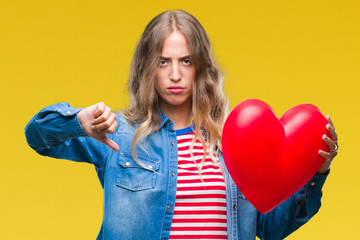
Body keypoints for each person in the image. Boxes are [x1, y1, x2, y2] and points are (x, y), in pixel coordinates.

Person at [24, 10, 338, 240]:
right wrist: (78, 122)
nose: (175, 74)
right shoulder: (115, 132)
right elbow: (37, 136)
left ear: (201, 67)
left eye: (186, 61)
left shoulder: (234, 146)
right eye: (164, 61)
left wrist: (317, 172)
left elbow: (270, 228)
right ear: (149, 68)